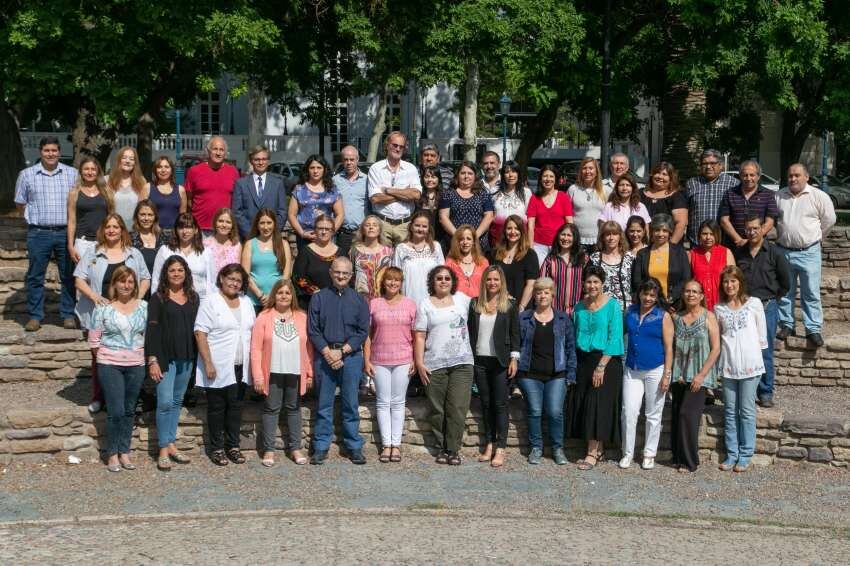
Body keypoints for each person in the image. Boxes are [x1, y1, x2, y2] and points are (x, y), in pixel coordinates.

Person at [75, 214, 151, 414]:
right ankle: (99, 397)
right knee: (98, 355)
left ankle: (128, 398)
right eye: (108, 226)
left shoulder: (134, 254)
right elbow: (79, 279)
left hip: (129, 313)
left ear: (122, 230)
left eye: (116, 226)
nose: (111, 230)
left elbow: (145, 278)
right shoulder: (93, 253)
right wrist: (94, 297)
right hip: (102, 313)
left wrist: (138, 300)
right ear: (103, 230)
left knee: (131, 353)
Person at [307, 257, 370, 465]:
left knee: (350, 404)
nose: (341, 276)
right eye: (337, 272)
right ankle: (321, 447)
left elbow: (362, 332)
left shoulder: (360, 300)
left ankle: (353, 447)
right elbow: (313, 330)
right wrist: (328, 353)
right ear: (331, 273)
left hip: (350, 357)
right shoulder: (319, 298)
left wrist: (341, 352)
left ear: (351, 276)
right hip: (325, 357)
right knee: (324, 405)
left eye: (345, 273)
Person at [15, 135, 79, 331]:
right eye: (46, 150)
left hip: (64, 232)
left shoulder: (72, 174)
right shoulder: (27, 174)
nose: (50, 154)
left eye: (54, 150)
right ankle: (35, 316)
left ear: (59, 152)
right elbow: (20, 202)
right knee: (35, 276)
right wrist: (30, 218)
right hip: (39, 233)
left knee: (68, 275)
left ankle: (68, 315)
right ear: (41, 152)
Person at [194, 263, 256, 466]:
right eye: (230, 278)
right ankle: (217, 448)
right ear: (221, 279)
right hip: (218, 364)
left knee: (236, 407)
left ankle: (233, 446)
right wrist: (208, 363)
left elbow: (252, 332)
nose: (234, 283)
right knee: (217, 407)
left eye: (238, 280)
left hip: (240, 365)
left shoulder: (246, 302)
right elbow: (200, 333)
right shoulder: (210, 302)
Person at [88, 266, 147, 472]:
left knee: (130, 410)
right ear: (114, 284)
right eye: (122, 281)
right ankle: (112, 453)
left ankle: (125, 451)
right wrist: (105, 359)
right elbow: (94, 340)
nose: (126, 285)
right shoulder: (102, 308)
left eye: (130, 282)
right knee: (116, 410)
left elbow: (149, 336)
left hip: (136, 365)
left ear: (135, 285)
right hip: (110, 364)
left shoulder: (144, 307)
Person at [414, 266, 474, 466]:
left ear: (452, 281)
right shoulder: (425, 304)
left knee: (457, 407)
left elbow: (485, 300)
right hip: (434, 364)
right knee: (437, 409)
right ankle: (442, 447)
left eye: (447, 278)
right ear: (432, 281)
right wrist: (419, 363)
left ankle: (453, 450)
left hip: (462, 363)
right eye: (439, 278)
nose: (443, 281)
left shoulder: (462, 299)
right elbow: (420, 336)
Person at [566, 266, 625, 470]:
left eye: (596, 282)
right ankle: (597, 449)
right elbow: (573, 335)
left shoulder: (612, 306)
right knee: (584, 403)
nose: (592, 286)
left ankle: (591, 453)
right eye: (588, 282)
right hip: (583, 360)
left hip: (606, 361)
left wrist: (601, 366)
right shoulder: (579, 307)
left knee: (596, 403)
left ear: (602, 284)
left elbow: (615, 337)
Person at [251, 279, 313, 467]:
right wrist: (258, 376)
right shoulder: (264, 317)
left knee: (294, 408)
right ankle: (269, 450)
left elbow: (309, 348)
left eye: (287, 292)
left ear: (292, 296)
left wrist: (309, 373)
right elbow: (256, 349)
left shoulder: (302, 317)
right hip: (272, 370)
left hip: (295, 371)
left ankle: (295, 448)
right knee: (271, 409)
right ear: (274, 295)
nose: (284, 296)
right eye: (280, 292)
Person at [145, 256, 199, 471]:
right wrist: (153, 360)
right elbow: (152, 330)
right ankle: (163, 449)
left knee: (177, 402)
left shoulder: (193, 297)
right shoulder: (158, 298)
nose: (176, 274)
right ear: (165, 274)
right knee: (165, 402)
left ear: (186, 272)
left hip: (187, 357)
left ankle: (171, 444)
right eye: (172, 270)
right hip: (165, 358)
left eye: (180, 270)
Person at [516, 277, 576, 465]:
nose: (542, 296)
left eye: (546, 292)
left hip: (556, 374)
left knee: (555, 411)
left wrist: (571, 374)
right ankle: (536, 447)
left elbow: (570, 347)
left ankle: (557, 448)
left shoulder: (562, 319)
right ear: (534, 296)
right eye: (539, 292)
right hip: (529, 373)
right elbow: (516, 345)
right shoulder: (524, 318)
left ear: (553, 295)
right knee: (534, 410)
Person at [775, 163, 836, 347]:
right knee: (785, 291)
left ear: (807, 177)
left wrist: (816, 238)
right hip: (784, 251)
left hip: (809, 252)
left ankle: (813, 329)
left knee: (811, 293)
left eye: (797, 175)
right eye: (790, 176)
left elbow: (830, 220)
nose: (793, 179)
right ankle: (787, 324)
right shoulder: (779, 195)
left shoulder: (818, 196)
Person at [734, 215, 791, 408]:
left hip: (767, 308)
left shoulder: (774, 253)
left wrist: (773, 299)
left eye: (755, 228)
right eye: (748, 229)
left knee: (764, 351)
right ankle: (745, 389)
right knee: (743, 349)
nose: (752, 232)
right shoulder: (739, 253)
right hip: (744, 308)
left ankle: (765, 392)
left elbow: (786, 283)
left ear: (762, 229)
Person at [715, 266, 767, 473]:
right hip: (728, 366)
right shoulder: (718, 309)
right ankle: (732, 454)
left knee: (746, 411)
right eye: (726, 281)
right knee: (729, 412)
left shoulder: (753, 304)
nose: (730, 285)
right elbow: (718, 340)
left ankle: (746, 454)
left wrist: (755, 359)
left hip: (750, 366)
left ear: (740, 282)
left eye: (733, 281)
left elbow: (762, 338)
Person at [364, 267, 417, 463]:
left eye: (396, 280)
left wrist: (415, 359)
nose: (393, 283)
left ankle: (396, 445)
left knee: (398, 402)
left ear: (401, 282)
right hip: (379, 359)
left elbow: (416, 336)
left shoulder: (411, 305)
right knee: (382, 402)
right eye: (389, 280)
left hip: (404, 358)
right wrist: (366, 359)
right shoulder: (374, 304)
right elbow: (368, 336)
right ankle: (386, 445)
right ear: (383, 282)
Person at [468, 266, 520, 467]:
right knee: (486, 405)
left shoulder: (509, 305)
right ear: (484, 282)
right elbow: (470, 333)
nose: (492, 283)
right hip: (480, 360)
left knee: (500, 405)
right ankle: (489, 443)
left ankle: (501, 448)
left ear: (501, 282)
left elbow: (515, 333)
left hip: (500, 361)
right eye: (489, 279)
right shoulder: (474, 304)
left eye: (496, 280)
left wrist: (514, 358)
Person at [619, 278, 673, 470]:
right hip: (632, 369)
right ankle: (627, 452)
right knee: (629, 412)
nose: (648, 298)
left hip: (655, 369)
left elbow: (668, 348)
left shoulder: (663, 316)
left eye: (652, 295)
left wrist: (667, 374)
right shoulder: (630, 312)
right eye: (645, 293)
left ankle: (649, 453)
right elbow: (619, 335)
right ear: (639, 294)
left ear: (657, 297)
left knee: (653, 414)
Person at [670, 280, 721, 473]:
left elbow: (716, 349)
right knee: (676, 415)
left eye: (695, 291)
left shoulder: (709, 317)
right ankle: (677, 456)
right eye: (687, 291)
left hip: (699, 375)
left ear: (701, 296)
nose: (691, 294)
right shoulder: (676, 318)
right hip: (679, 375)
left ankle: (690, 461)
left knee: (687, 415)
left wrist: (701, 375)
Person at [368, 131, 422, 245]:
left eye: (401, 147)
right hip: (382, 224)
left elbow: (416, 195)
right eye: (395, 145)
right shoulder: (375, 168)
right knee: (384, 261)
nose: (398, 149)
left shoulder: (410, 169)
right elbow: (375, 199)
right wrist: (405, 194)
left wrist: (389, 190)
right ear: (387, 145)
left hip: (405, 225)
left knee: (403, 262)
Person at [632, 213, 691, 311]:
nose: (660, 234)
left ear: (670, 232)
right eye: (657, 230)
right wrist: (653, 299)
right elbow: (637, 281)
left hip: (674, 306)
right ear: (652, 232)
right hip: (649, 305)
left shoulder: (679, 252)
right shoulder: (642, 254)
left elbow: (686, 279)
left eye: (664, 231)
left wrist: (670, 300)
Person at [184, 136, 240, 234]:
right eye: (215, 149)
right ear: (208, 151)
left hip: (224, 228)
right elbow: (188, 200)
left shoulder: (233, 172)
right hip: (199, 228)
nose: (218, 153)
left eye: (221, 150)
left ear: (225, 153)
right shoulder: (194, 171)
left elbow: (237, 200)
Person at [152, 213, 215, 299]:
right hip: (171, 302)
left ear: (195, 230)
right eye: (181, 228)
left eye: (188, 227)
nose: (185, 231)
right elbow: (156, 280)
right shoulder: (165, 250)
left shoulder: (206, 252)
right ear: (176, 230)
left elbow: (212, 281)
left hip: (201, 302)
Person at [718, 160, 778, 248]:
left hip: (758, 246)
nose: (748, 178)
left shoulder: (768, 194)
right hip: (734, 245)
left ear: (758, 176)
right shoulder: (730, 193)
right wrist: (739, 240)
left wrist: (753, 239)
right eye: (745, 175)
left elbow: (770, 222)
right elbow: (724, 220)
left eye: (752, 175)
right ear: (740, 176)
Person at [685, 149, 739, 246]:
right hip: (697, 242)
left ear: (721, 165)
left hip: (724, 242)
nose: (708, 167)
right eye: (704, 163)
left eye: (712, 163)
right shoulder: (692, 183)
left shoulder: (733, 184)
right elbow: (685, 211)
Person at [288, 154, 344, 248]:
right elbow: (291, 214)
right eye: (312, 168)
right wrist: (302, 233)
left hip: (327, 238)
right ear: (307, 170)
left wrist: (331, 232)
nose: (315, 171)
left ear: (324, 169)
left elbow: (340, 214)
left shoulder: (332, 190)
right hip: (305, 238)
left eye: (319, 167)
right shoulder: (299, 189)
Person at [231, 145, 287, 240]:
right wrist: (249, 234)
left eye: (264, 159)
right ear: (251, 161)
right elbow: (237, 212)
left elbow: (282, 211)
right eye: (257, 159)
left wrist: (273, 232)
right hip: (248, 237)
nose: (261, 162)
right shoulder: (241, 184)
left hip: (271, 237)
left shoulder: (278, 183)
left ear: (268, 161)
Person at [241, 209, 291, 311]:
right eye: (262, 223)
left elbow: (286, 274)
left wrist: (273, 295)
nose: (265, 227)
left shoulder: (283, 244)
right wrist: (260, 295)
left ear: (274, 224)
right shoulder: (250, 244)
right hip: (254, 300)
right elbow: (245, 274)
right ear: (257, 225)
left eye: (269, 223)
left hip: (277, 300)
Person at [438, 161, 495, 251]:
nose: (466, 176)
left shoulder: (482, 194)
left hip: (478, 243)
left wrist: (474, 237)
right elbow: (443, 217)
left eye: (470, 173)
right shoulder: (448, 194)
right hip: (455, 243)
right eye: (463, 173)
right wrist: (459, 236)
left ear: (475, 176)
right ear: (457, 175)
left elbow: (489, 216)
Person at [393, 210, 445, 306]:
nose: (420, 229)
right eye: (417, 225)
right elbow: (395, 276)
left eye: (424, 226)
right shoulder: (401, 248)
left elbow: (442, 274)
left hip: (433, 301)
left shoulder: (436, 246)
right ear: (411, 227)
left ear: (429, 229)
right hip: (408, 300)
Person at [67, 157, 112, 266]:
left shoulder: (107, 192)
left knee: (101, 277)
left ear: (98, 172)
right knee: (83, 277)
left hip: (103, 241)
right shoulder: (74, 193)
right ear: (81, 172)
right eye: (86, 169)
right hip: (82, 242)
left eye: (93, 169)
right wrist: (70, 246)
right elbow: (71, 221)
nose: (90, 172)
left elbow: (111, 217)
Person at [488, 214, 538, 311]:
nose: (513, 232)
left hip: (521, 309)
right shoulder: (494, 253)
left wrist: (521, 307)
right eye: (509, 228)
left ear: (522, 231)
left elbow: (531, 284)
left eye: (516, 228)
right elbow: (490, 280)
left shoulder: (530, 255)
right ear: (504, 231)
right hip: (498, 305)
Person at [526, 164, 574, 263]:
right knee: (540, 276)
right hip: (538, 245)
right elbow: (531, 226)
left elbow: (569, 223)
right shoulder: (534, 198)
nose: (548, 179)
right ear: (540, 179)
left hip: (559, 244)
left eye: (551, 176)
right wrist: (531, 248)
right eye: (545, 176)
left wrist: (570, 244)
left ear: (555, 179)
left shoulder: (563, 197)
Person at [292, 214, 342, 309]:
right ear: (315, 230)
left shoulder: (341, 253)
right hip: (310, 302)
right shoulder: (305, 251)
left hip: (336, 302)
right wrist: (314, 291)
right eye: (320, 228)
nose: (324, 232)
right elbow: (297, 277)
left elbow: (348, 277)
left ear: (333, 231)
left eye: (327, 229)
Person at [539, 223, 586, 314]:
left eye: (569, 235)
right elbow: (542, 285)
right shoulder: (550, 260)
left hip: (578, 311)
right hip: (554, 311)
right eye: (563, 234)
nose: (565, 238)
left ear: (575, 238)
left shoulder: (584, 260)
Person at [689, 219, 735, 311]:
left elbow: (734, 280)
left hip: (723, 305)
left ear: (717, 235)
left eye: (712, 234)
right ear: (699, 235)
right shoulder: (692, 254)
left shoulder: (726, 252)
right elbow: (688, 281)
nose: (708, 237)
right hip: (700, 307)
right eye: (705, 234)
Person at [568, 157, 611, 252]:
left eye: (591, 168)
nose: (588, 171)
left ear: (596, 171)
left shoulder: (606, 190)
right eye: (584, 168)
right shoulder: (573, 189)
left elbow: (611, 215)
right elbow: (567, 214)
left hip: (599, 240)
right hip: (578, 240)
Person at [589, 222, 634, 313]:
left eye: (615, 234)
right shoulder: (595, 258)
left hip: (625, 310)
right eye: (607, 234)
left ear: (620, 236)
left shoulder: (630, 258)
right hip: (600, 309)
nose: (611, 238)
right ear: (602, 237)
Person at [333, 145, 369, 257]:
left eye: (352, 159)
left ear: (357, 160)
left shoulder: (368, 180)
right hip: (342, 234)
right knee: (342, 269)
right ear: (342, 161)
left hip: (362, 234)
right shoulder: (335, 181)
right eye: (346, 159)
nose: (349, 162)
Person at [640, 162, 687, 245]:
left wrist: (671, 246)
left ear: (671, 178)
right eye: (657, 173)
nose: (660, 176)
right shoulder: (640, 194)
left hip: (667, 245)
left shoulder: (676, 197)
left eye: (664, 174)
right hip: (642, 245)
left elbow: (681, 223)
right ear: (652, 175)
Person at [348, 214, 393, 298]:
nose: (371, 227)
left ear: (380, 230)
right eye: (367, 225)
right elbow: (350, 276)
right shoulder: (354, 251)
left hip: (382, 298)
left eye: (375, 225)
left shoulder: (389, 252)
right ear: (362, 230)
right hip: (360, 298)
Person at [130, 200, 167, 301]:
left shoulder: (164, 238)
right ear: (136, 216)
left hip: (160, 290)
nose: (146, 218)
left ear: (155, 217)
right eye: (142, 214)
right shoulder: (129, 239)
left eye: (150, 215)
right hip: (136, 290)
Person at [489, 160, 531, 245]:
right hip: (498, 237)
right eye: (507, 172)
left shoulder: (526, 192)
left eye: (514, 171)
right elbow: (490, 214)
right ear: (503, 175)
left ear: (518, 174)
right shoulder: (494, 191)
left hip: (519, 236)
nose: (510, 175)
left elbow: (530, 217)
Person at [107, 146, 149, 229]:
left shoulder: (141, 181)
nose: (127, 161)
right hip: (113, 230)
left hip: (135, 230)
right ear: (119, 160)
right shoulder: (108, 180)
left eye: (131, 159)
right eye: (124, 158)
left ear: (135, 163)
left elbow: (143, 208)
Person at [445, 225, 489, 298]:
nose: (465, 242)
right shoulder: (450, 262)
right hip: (458, 305)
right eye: (462, 239)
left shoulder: (483, 262)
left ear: (473, 242)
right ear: (457, 242)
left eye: (468, 239)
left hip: (478, 305)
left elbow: (488, 285)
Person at [148, 156, 188, 237]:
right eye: (159, 167)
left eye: (166, 167)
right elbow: (140, 212)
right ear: (155, 170)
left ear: (171, 170)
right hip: (153, 233)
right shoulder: (147, 187)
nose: (163, 170)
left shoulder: (181, 190)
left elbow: (182, 217)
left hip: (174, 234)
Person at [202, 208, 242, 277]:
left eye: (228, 222)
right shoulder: (205, 244)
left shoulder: (237, 245)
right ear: (215, 222)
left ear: (232, 225)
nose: (224, 225)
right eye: (220, 221)